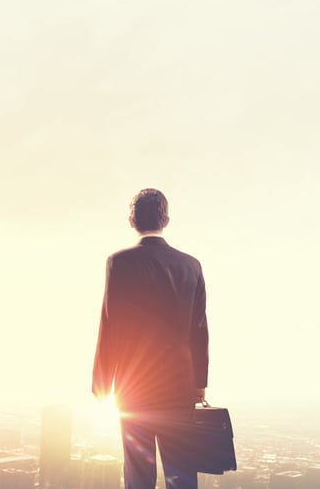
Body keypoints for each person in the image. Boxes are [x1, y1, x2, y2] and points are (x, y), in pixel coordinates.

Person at [92, 188, 208, 489]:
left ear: (131, 220)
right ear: (166, 220)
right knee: (181, 474)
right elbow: (199, 330)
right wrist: (199, 383)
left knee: (138, 477)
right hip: (180, 388)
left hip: (135, 387)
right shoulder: (191, 265)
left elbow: (110, 325)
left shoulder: (119, 262)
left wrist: (103, 383)